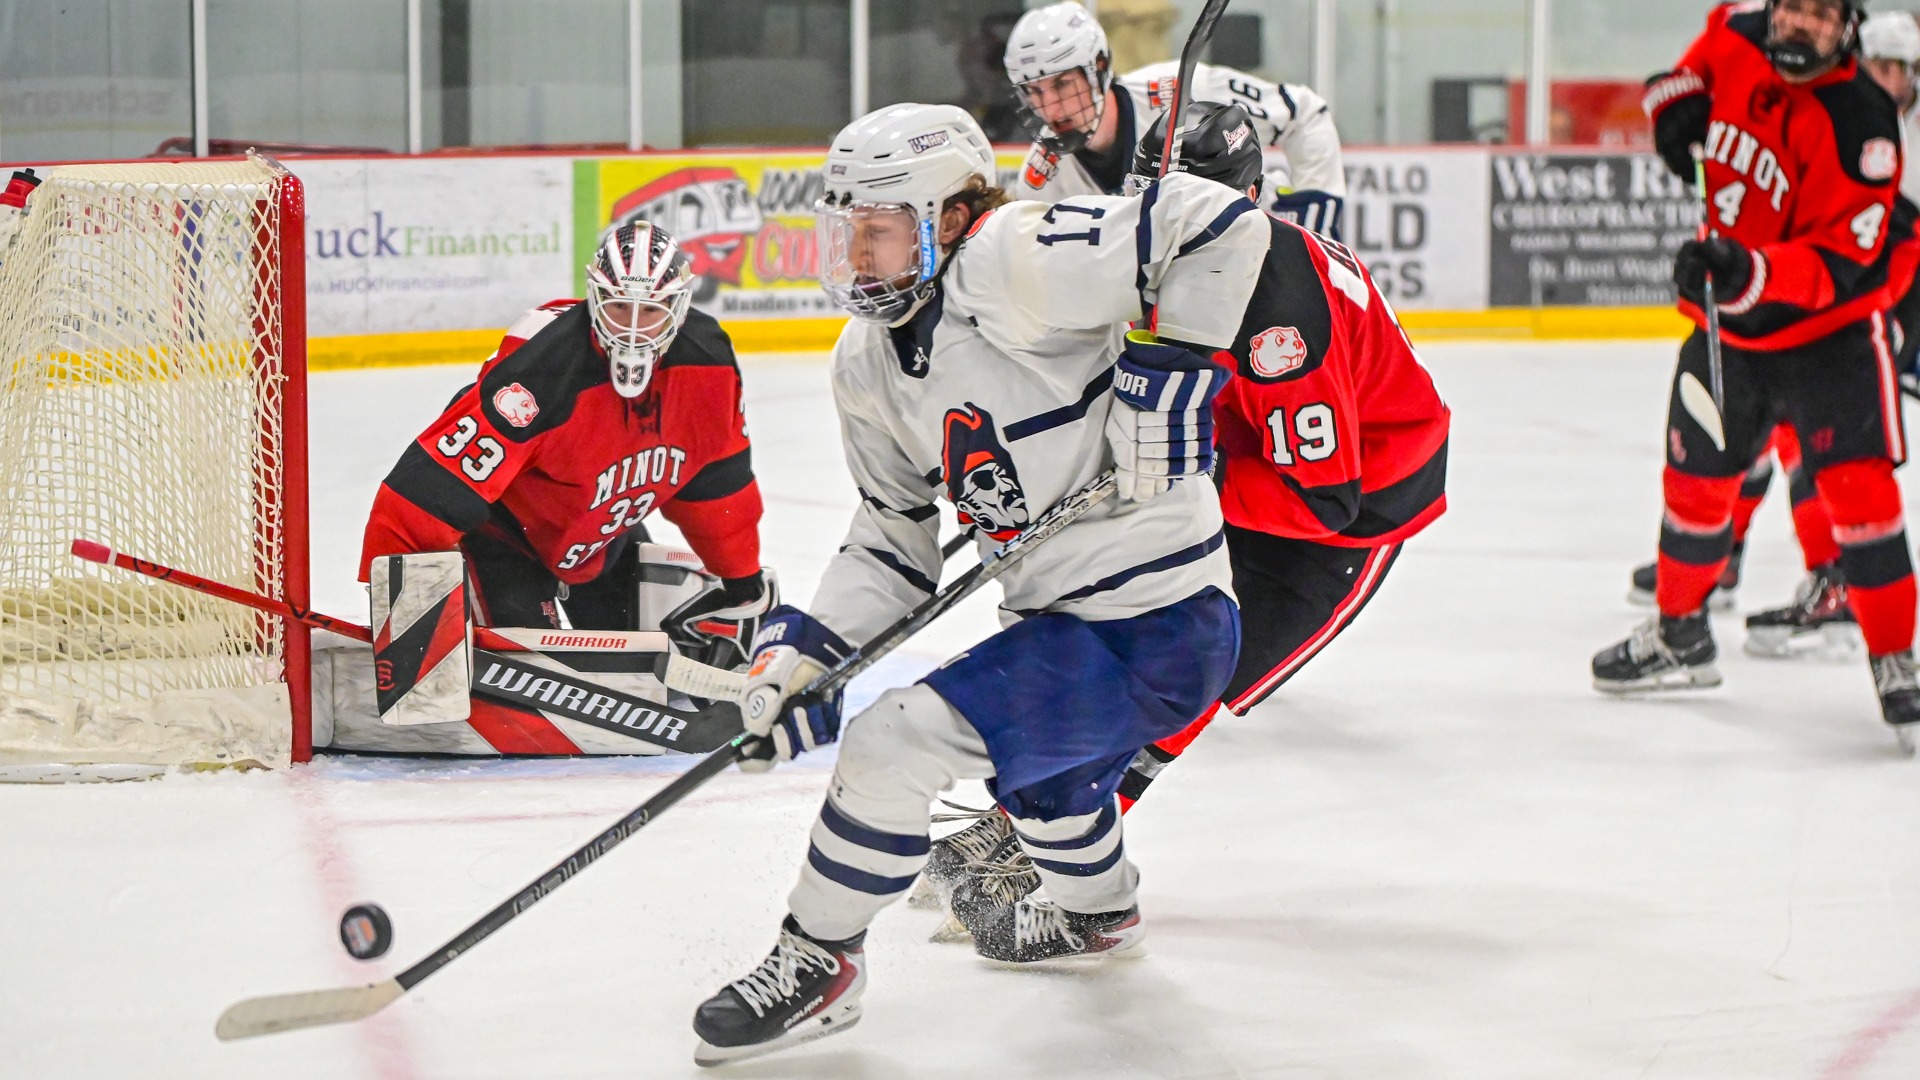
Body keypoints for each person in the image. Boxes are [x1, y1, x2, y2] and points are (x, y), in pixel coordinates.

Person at [687, 102, 1267, 1066]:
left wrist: (1176, 371)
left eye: (877, 229)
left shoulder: (1012, 259)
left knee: (891, 745)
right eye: (846, 232)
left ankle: (819, 959)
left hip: (1161, 619)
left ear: (949, 217)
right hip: (1064, 622)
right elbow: (890, 539)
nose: (856, 255)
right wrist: (803, 659)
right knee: (1045, 781)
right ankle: (1098, 914)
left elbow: (1221, 224)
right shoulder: (866, 363)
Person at [919, 101, 1450, 925]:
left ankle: (1053, 849)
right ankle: (1025, 819)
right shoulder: (1145, 249)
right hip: (1246, 459)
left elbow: (1322, 493)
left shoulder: (1281, 319)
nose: (1165, 231)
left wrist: (1176, 471)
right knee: (1119, 619)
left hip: (1344, 514)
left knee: (1188, 674)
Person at [1592, 0, 1920, 743]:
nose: (1801, 24)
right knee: (1696, 485)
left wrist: (1750, 271)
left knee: (1859, 495)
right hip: (1729, 327)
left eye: (1821, 14)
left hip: (1830, 339)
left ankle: (1896, 661)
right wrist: (1673, 104)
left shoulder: (1864, 119)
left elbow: (1845, 261)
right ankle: (1681, 634)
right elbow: (1690, 68)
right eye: (1793, 7)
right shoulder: (1738, 31)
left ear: (1849, 26)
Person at [358, 221, 774, 667]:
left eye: (650, 311)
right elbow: (421, 502)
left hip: (603, 536)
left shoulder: (707, 364)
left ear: (680, 306)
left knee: (637, 672)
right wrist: (405, 642)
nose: (632, 330)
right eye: (618, 307)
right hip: (507, 539)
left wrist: (741, 580)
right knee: (528, 683)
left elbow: (716, 487)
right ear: (594, 297)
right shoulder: (540, 372)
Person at [1003, 0, 1348, 238]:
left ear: (1100, 69)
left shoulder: (1179, 90)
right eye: (1034, 91)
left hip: (1265, 247)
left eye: (1062, 84)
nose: (1050, 107)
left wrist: (1319, 200)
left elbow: (1304, 115)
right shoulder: (1040, 182)